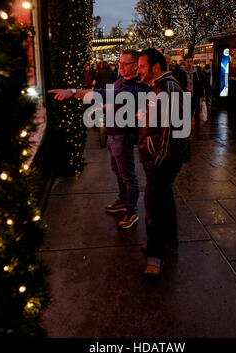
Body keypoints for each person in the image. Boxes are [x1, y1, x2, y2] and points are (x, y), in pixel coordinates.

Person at [48, 49, 148, 230]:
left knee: (127, 174)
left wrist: (73, 91)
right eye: (120, 63)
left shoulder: (134, 87)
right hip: (112, 132)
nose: (121, 67)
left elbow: (105, 94)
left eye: (125, 64)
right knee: (117, 171)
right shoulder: (120, 81)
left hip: (123, 136)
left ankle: (131, 210)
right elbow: (108, 97)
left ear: (135, 66)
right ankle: (123, 201)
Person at [137, 49, 190, 276]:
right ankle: (170, 243)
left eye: (141, 66)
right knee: (165, 202)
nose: (139, 70)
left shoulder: (167, 88)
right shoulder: (160, 86)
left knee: (153, 207)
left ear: (155, 67)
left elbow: (172, 129)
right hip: (161, 158)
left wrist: (158, 157)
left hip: (161, 161)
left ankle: (155, 257)